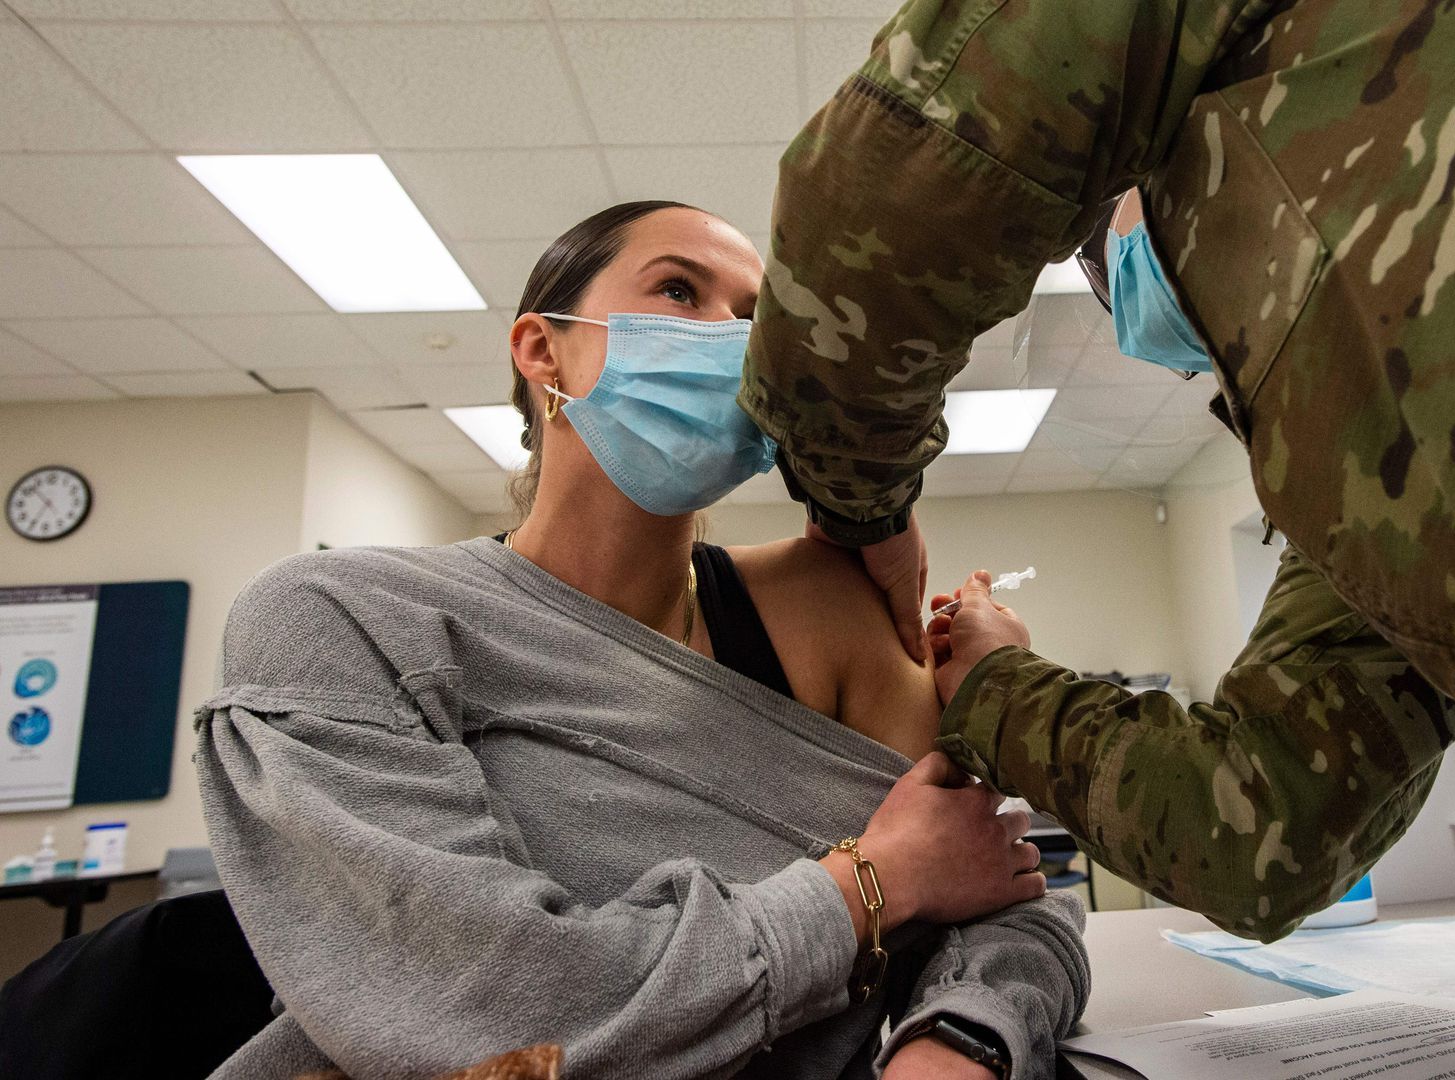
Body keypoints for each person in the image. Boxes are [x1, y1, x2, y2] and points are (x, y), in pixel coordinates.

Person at [735, 2, 1455, 1076]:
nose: (1120, 284)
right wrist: (997, 681)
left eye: (1107, 253)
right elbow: (1259, 825)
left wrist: (860, 507)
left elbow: (887, 191)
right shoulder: (1360, 463)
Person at [194, 200, 1087, 1080]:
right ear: (545, 348)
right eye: (678, 291)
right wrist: (869, 887)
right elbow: (496, 1019)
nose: (729, 339)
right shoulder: (348, 616)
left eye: (754, 321)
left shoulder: (821, 603)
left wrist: (959, 1041)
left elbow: (998, 892)